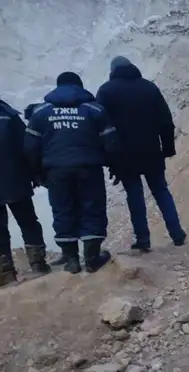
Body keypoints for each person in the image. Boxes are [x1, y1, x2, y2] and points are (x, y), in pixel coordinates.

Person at [24, 72, 120, 274]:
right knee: (92, 208)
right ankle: (92, 259)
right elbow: (111, 142)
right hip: (88, 168)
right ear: (80, 86)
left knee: (63, 210)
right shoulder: (94, 110)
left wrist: (36, 172)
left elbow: (30, 147)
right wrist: (114, 165)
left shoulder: (41, 113)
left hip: (56, 171)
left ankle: (72, 260)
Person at [96, 56, 186, 251]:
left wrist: (108, 159)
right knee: (161, 191)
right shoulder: (149, 88)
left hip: (124, 155)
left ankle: (143, 239)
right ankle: (177, 234)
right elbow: (165, 120)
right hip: (151, 150)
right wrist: (168, 148)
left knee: (134, 195)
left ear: (112, 71)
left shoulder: (106, 91)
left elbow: (100, 127)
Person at [0, 99, 51, 286]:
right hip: (15, 178)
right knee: (28, 221)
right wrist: (35, 174)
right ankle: (38, 264)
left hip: (15, 178)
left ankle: (6, 274)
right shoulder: (9, 115)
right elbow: (27, 146)